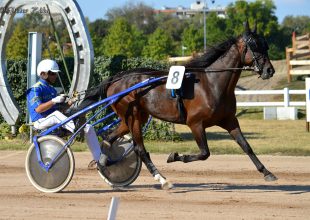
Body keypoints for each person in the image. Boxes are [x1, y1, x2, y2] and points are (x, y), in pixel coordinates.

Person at [27, 59, 107, 169]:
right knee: (56, 115)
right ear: (43, 74)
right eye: (52, 73)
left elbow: (61, 110)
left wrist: (71, 102)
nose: (55, 76)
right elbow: (38, 109)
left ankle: (99, 160)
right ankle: (76, 129)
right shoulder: (35, 89)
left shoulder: (51, 90)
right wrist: (54, 101)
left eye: (56, 73)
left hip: (55, 120)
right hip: (39, 122)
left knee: (88, 127)